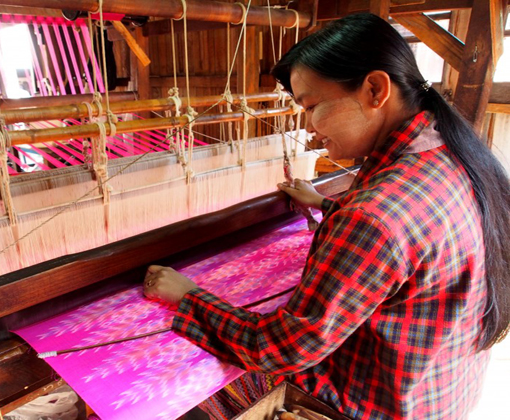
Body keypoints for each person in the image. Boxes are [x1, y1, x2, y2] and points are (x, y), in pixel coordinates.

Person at [143, 13, 510, 420]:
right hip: (441, 391)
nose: (310, 127)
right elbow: (410, 244)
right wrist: (323, 205)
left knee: (185, 391)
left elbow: (281, 350)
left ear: (374, 89)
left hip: (375, 406)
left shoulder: (375, 216)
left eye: (312, 105)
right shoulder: (448, 155)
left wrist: (189, 297)